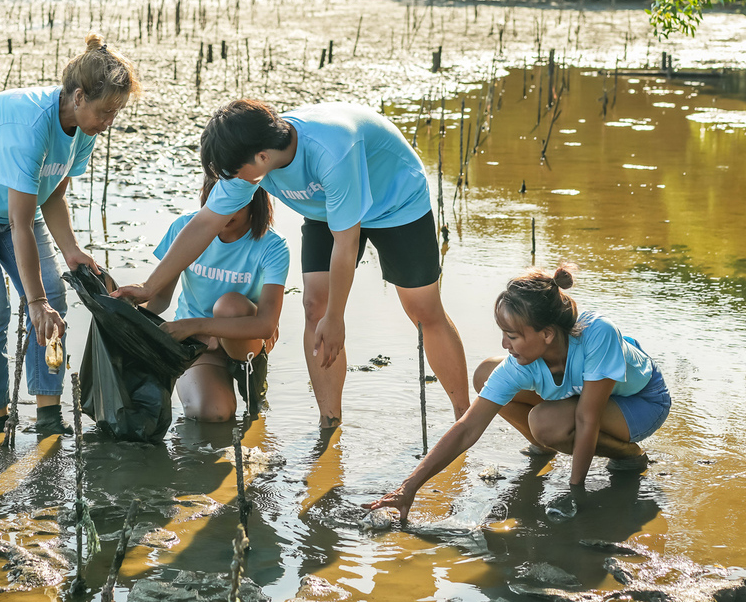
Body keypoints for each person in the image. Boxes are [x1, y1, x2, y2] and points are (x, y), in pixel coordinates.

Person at [115, 99, 469, 427]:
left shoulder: (332, 151)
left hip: (396, 202)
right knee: (315, 304)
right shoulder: (252, 161)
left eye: (233, 173)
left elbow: (346, 244)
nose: (230, 182)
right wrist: (149, 287)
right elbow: (204, 223)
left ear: (263, 157)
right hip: (325, 206)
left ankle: (463, 418)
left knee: (423, 310)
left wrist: (337, 319)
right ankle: (329, 424)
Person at [0, 33, 140, 437]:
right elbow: (20, 222)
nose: (110, 122)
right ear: (78, 96)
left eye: (118, 112)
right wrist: (35, 300)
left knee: (54, 298)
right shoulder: (29, 126)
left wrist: (72, 250)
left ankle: (47, 415)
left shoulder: (84, 129)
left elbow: (53, 194)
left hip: (15, 210)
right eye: (107, 111)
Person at [364, 264, 671, 521]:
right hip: (584, 399)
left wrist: (574, 492)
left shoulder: (598, 334)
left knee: (547, 423)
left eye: (512, 336)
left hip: (640, 401)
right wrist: (409, 487)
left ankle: (630, 455)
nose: (504, 345)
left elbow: (587, 417)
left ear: (547, 334)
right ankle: (546, 444)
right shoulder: (522, 362)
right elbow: (468, 427)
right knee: (486, 375)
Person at [143, 177, 289, 422]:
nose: (226, 212)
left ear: (255, 202)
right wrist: (120, 308)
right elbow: (159, 300)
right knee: (213, 414)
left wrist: (197, 326)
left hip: (243, 342)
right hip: (195, 345)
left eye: (236, 203)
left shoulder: (273, 245)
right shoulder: (184, 228)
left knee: (229, 305)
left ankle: (254, 393)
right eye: (219, 201)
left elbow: (266, 325)